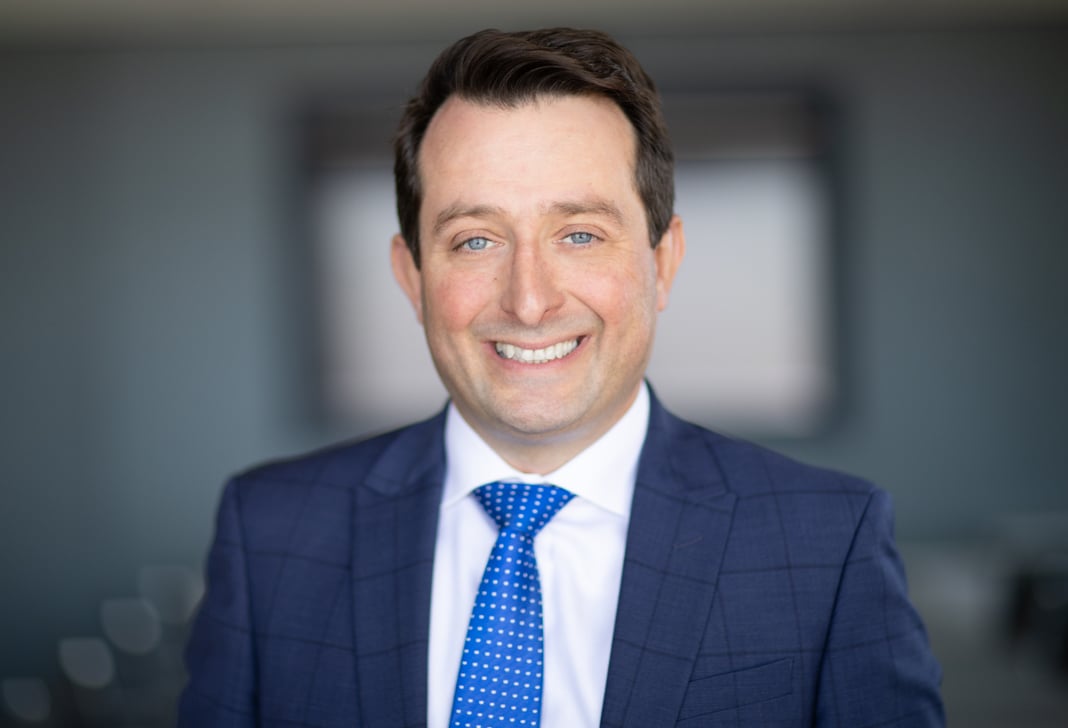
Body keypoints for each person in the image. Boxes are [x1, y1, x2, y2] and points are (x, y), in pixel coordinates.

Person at [179, 27, 944, 727]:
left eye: (579, 235)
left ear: (662, 263)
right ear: (412, 277)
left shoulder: (827, 542)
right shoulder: (270, 533)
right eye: (475, 241)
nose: (529, 300)